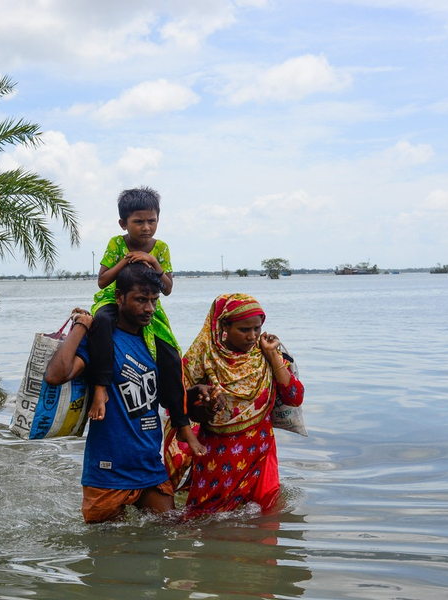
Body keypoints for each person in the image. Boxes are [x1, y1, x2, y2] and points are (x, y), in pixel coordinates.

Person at [45, 263, 182, 523]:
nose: (149, 309)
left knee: (170, 531)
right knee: (109, 550)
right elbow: (56, 375)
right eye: (141, 300)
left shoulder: (154, 341)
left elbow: (169, 395)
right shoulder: (101, 341)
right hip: (107, 471)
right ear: (119, 297)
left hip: (149, 466)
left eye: (153, 301)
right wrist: (81, 327)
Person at [87, 186, 205, 458]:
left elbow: (167, 289)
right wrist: (126, 262)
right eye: (138, 221)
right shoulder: (117, 244)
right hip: (114, 299)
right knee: (102, 324)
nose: (146, 227)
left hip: (150, 302)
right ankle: (101, 388)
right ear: (123, 223)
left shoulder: (160, 248)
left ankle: (182, 423)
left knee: (171, 355)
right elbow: (103, 281)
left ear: (158, 220)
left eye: (151, 221)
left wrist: (152, 261)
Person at [168, 293, 305, 517]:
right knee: (204, 518)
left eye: (257, 329)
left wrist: (272, 355)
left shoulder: (267, 353)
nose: (252, 336)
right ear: (224, 325)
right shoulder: (202, 358)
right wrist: (209, 406)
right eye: (244, 330)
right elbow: (184, 409)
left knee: (265, 519)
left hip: (261, 451)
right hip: (217, 455)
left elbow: (294, 397)